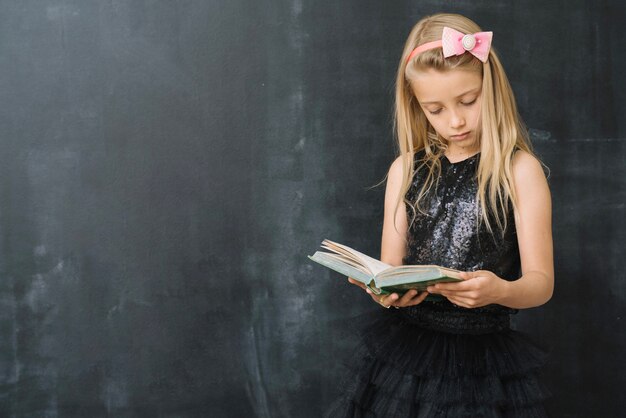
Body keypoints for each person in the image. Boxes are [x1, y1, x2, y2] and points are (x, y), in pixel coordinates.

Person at [326, 13, 554, 417]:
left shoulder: (520, 170)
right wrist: (384, 292)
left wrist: (499, 290)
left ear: (492, 88)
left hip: (482, 362)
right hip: (406, 356)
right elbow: (389, 268)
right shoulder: (406, 169)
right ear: (416, 106)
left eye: (468, 101)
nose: (456, 120)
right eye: (435, 109)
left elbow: (541, 284)